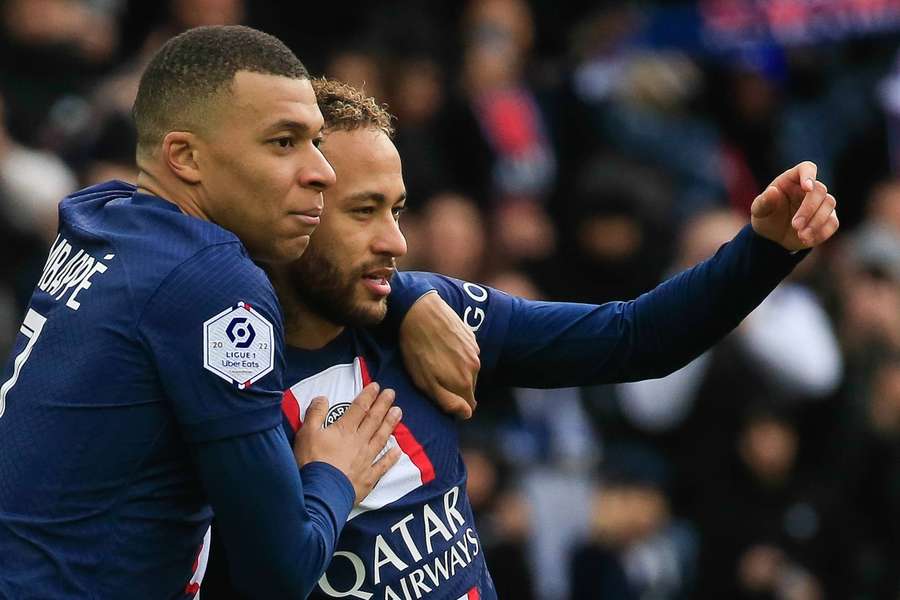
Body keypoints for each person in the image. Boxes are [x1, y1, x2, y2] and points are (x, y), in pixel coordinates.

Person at [204, 78, 839, 599]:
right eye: (364, 211)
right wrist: (328, 485)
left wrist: (763, 251)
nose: (396, 242)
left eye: (397, 211)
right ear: (293, 210)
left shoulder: (429, 309)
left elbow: (634, 338)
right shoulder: (216, 379)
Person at [0, 26, 479, 599]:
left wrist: (407, 296)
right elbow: (278, 574)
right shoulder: (216, 285)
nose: (322, 171)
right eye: (284, 143)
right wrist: (333, 473)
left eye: (316, 140)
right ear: (185, 157)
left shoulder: (99, 216)